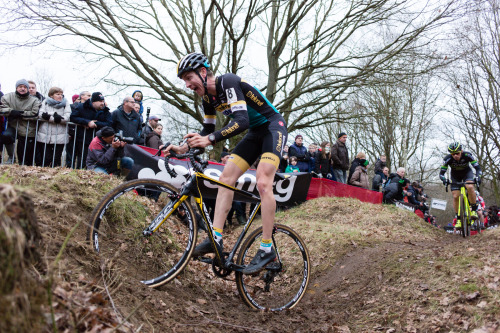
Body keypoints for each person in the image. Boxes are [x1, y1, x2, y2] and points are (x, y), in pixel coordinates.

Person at [167, 52, 287, 274]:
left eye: (188, 78)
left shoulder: (228, 82)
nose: (187, 85)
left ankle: (266, 248)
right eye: (183, 81)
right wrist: (183, 148)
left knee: (263, 183)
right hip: (254, 133)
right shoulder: (207, 99)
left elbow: (241, 121)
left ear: (203, 72)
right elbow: (207, 131)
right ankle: (216, 238)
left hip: (272, 127)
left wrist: (209, 139)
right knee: (226, 178)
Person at [439, 142, 482, 229]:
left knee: (469, 187)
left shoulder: (467, 155)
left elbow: (477, 168)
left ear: (461, 151)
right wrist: (444, 180)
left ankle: (474, 209)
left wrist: (478, 177)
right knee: (456, 196)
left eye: (457, 153)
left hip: (467, 173)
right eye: (453, 154)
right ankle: (458, 218)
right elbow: (441, 173)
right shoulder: (447, 159)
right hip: (455, 176)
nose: (455, 156)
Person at [0, 79, 41, 165]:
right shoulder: (7, 97)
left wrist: (20, 114)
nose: (22, 89)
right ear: (16, 88)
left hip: (28, 129)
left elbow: (35, 114)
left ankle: (24, 166)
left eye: (25, 87)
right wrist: (11, 112)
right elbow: (1, 109)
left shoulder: (34, 100)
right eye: (20, 87)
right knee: (6, 136)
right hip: (13, 126)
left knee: (25, 158)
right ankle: (11, 157)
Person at [69, 92, 112, 168]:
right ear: (93, 102)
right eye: (100, 101)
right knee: (82, 158)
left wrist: (96, 124)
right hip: (82, 138)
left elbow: (109, 123)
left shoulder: (105, 111)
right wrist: (87, 122)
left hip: (97, 140)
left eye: (103, 101)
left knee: (92, 160)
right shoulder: (82, 107)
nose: (103, 103)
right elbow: (73, 117)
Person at [35, 86, 71, 167]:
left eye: (61, 94)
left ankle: (56, 177)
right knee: (46, 158)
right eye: (57, 94)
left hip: (60, 135)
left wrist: (50, 117)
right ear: (51, 95)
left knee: (56, 158)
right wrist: (55, 117)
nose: (60, 96)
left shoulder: (66, 103)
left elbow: (67, 117)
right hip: (45, 134)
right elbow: (41, 114)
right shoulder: (45, 102)